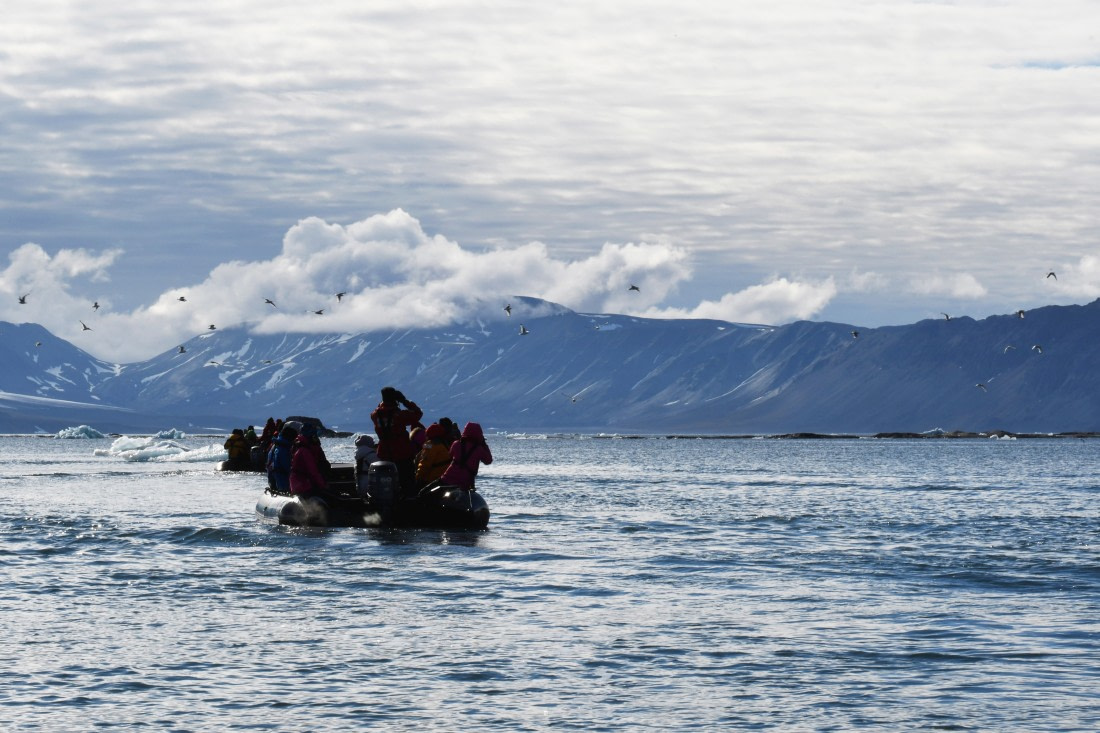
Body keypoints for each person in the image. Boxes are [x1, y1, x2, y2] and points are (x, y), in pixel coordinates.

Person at [370, 386, 424, 496]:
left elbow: (380, 410)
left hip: (384, 453)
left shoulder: (375, 415)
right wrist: (404, 401)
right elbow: (418, 414)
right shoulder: (400, 415)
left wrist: (385, 403)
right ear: (395, 398)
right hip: (402, 453)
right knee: (407, 482)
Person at [439, 422, 493, 491]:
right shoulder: (479, 449)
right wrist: (484, 444)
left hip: (447, 479)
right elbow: (488, 461)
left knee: (425, 491)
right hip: (464, 484)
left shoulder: (456, 444)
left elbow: (450, 456)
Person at [290, 423, 330, 497]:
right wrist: (323, 485)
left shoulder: (301, 447)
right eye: (315, 436)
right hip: (303, 485)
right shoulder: (305, 451)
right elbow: (313, 471)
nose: (317, 438)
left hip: (302, 483)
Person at [414, 423, 452, 488]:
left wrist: (418, 477)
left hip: (432, 479)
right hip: (445, 477)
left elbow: (424, 463)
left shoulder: (429, 444)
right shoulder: (446, 443)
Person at [266, 424, 298, 492]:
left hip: (273, 481)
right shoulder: (283, 449)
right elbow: (287, 467)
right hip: (282, 483)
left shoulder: (275, 446)